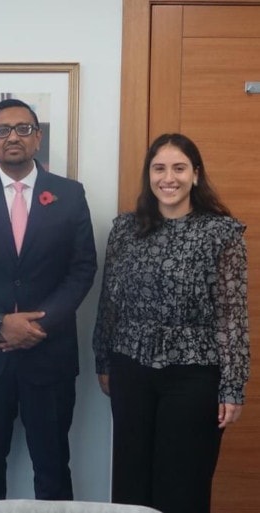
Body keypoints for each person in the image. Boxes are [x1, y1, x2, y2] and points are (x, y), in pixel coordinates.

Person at [0, 99, 97, 507]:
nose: (13, 137)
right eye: (2, 130)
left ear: (38, 137)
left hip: (50, 356)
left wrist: (37, 326)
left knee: (52, 467)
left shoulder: (69, 194)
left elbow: (82, 269)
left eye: (23, 129)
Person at [92, 133, 249, 513]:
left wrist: (232, 387)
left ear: (196, 174)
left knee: (183, 482)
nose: (169, 178)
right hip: (130, 368)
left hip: (194, 375)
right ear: (149, 175)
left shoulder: (221, 233)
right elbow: (110, 300)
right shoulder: (126, 230)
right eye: (159, 168)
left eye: (179, 168)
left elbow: (231, 313)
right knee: (130, 482)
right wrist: (102, 360)